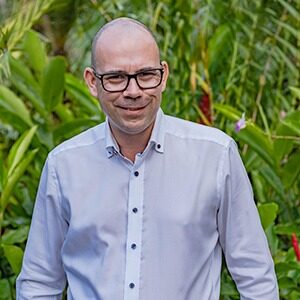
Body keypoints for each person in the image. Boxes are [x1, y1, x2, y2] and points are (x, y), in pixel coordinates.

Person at [17, 17, 279, 299]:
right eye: (116, 78)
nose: (133, 91)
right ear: (92, 82)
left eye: (146, 75)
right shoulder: (64, 166)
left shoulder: (216, 156)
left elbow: (255, 277)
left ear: (164, 75)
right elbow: (40, 283)